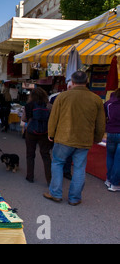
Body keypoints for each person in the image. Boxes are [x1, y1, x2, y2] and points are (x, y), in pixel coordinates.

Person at [44, 71, 106, 205]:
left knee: (58, 163)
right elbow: (101, 123)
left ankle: (55, 193)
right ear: (87, 81)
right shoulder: (95, 99)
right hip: (84, 139)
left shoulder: (63, 96)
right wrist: (97, 137)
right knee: (79, 168)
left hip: (63, 137)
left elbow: (54, 117)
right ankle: (74, 198)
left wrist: (51, 133)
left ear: (72, 81)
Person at [23, 87, 53, 185]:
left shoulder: (28, 105)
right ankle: (49, 180)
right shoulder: (49, 106)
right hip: (45, 132)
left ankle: (30, 176)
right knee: (46, 155)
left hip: (31, 132)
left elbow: (23, 119)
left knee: (30, 155)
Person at [104, 88, 120, 192]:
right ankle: (115, 184)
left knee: (110, 156)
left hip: (111, 132)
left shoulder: (108, 104)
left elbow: (104, 116)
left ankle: (109, 179)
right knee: (118, 159)